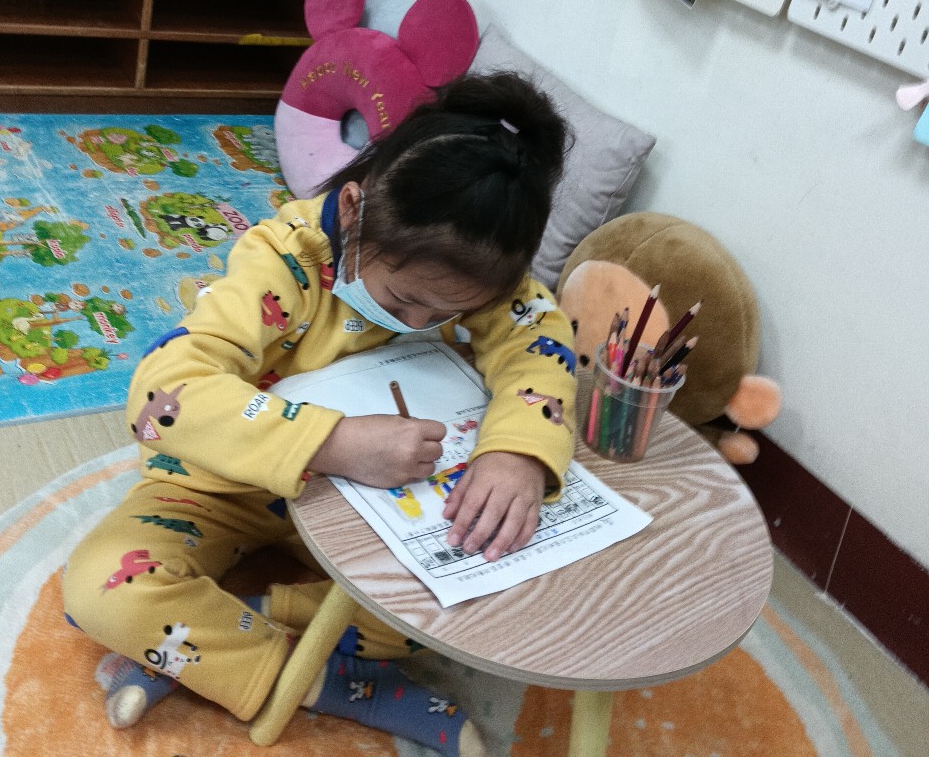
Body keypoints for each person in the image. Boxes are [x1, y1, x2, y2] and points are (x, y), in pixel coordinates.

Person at [62, 72, 577, 756]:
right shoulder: (284, 256)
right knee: (101, 590)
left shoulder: (477, 266)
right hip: (222, 488)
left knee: (480, 594)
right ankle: (334, 683)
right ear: (356, 208)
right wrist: (333, 441)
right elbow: (164, 393)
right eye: (401, 302)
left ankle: (230, 629)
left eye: (447, 313)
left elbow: (540, 345)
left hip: (366, 508)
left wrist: (517, 453)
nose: (419, 321)